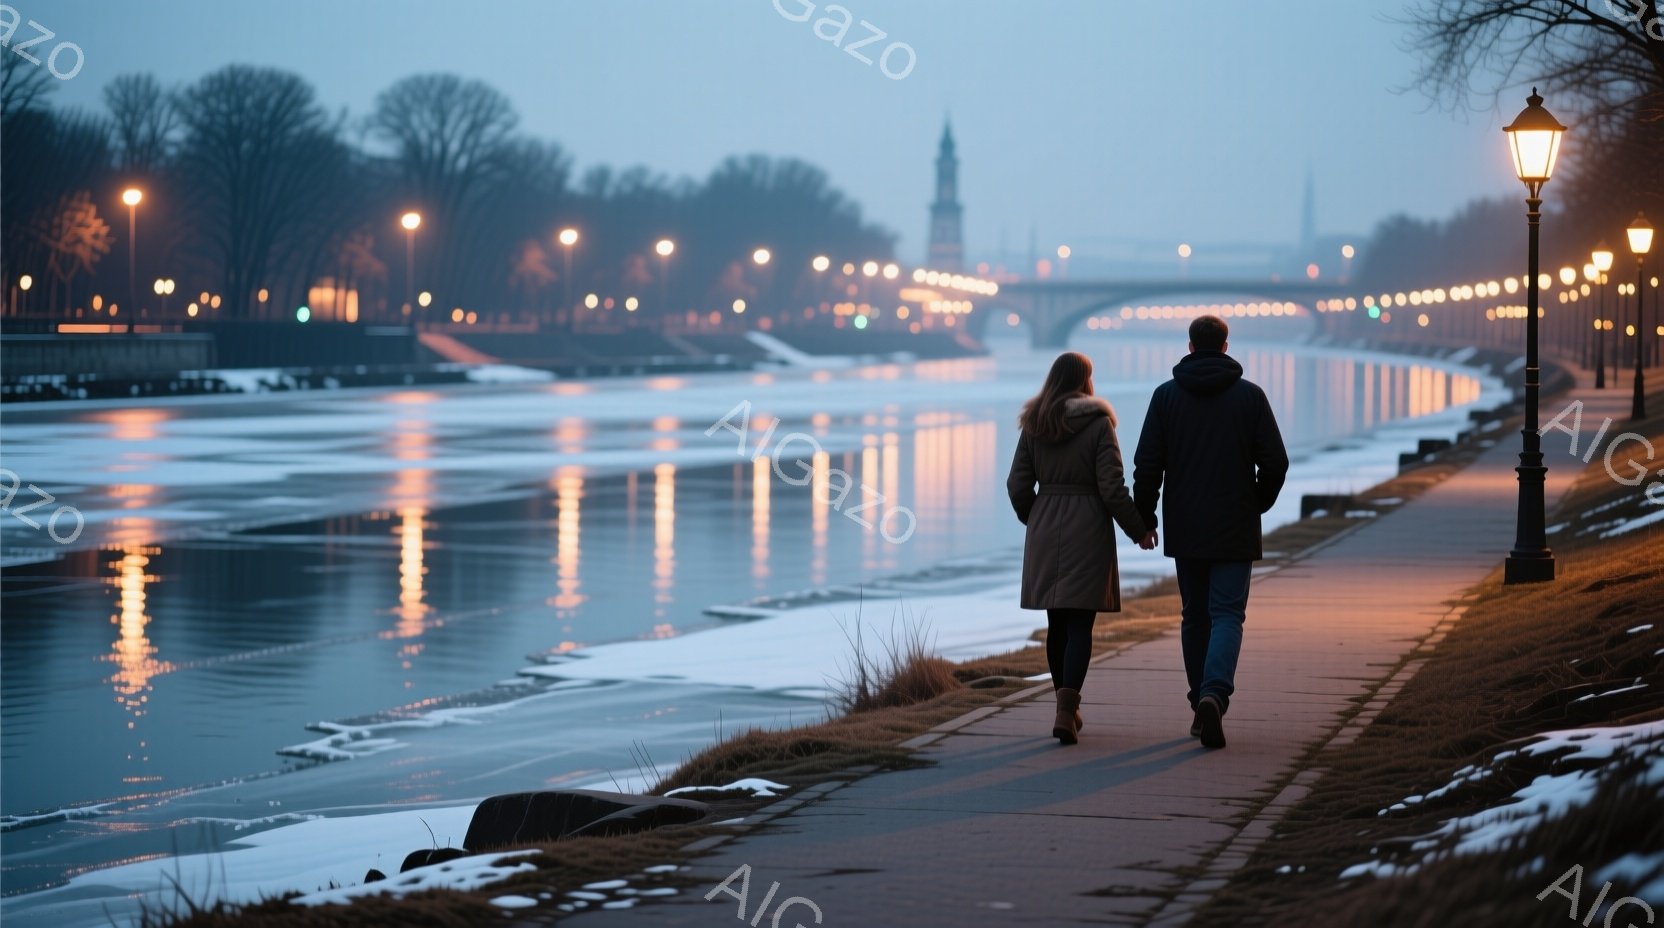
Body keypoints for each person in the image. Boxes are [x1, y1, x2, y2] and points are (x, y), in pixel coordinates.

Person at [1132, 315, 1288, 749]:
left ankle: (1199, 699)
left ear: (1189, 346)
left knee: (1194, 615)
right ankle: (1214, 695)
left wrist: (1145, 518)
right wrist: (1255, 502)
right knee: (1227, 614)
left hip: (1186, 524)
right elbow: (1275, 462)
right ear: (1224, 346)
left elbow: (1147, 465)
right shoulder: (1250, 397)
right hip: (1235, 524)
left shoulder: (1165, 397)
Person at [1007, 351, 1150, 745]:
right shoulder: (1099, 423)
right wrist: (1139, 530)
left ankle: (1063, 707)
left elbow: (1017, 485)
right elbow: (1112, 487)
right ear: (1087, 381)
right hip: (1088, 527)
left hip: (1046, 523)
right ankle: (1067, 711)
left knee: (1057, 622)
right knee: (1080, 623)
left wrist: (1034, 518)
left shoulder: (1034, 424)